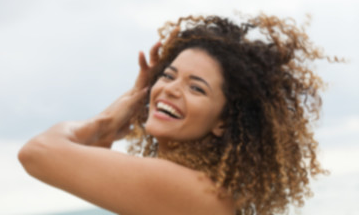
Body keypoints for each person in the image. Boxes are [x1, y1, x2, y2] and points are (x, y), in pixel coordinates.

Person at [18, 13, 330, 215]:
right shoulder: (196, 189)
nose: (170, 89)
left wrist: (112, 118)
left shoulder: (192, 190)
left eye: (197, 88)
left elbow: (38, 152)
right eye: (167, 76)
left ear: (223, 121)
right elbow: (85, 159)